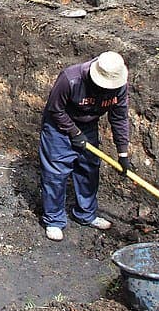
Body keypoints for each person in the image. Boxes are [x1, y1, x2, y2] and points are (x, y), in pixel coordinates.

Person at [39, 51, 131, 242]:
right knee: (56, 173)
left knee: (89, 168)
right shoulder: (70, 79)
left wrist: (123, 152)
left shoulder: (119, 86)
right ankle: (54, 220)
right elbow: (55, 109)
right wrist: (74, 133)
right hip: (59, 125)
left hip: (87, 125)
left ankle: (85, 214)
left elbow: (119, 117)